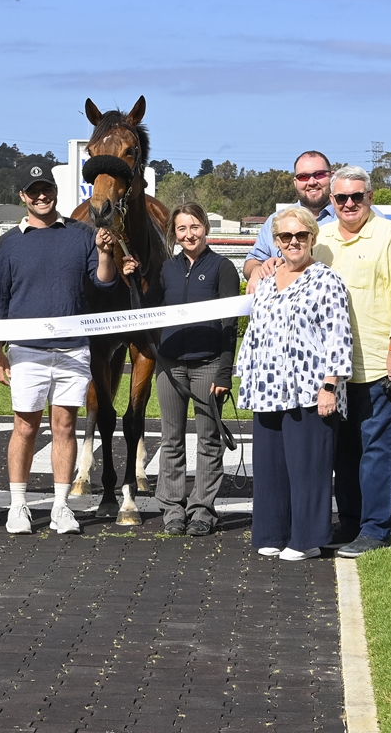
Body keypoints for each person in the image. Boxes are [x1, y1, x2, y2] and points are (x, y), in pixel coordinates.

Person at [0, 164, 124, 535]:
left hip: (72, 349)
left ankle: (61, 507)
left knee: (65, 426)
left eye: (46, 189)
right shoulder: (7, 243)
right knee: (24, 427)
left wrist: (105, 253)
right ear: (23, 196)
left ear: (56, 192)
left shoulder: (83, 234)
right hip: (26, 350)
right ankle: (18, 505)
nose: (41, 196)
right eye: (33, 191)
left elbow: (105, 282)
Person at [313, 165, 391, 557]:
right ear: (331, 200)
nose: (349, 203)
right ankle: (350, 522)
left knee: (377, 452)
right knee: (343, 453)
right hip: (333, 369)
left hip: (378, 365)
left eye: (356, 196)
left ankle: (375, 529)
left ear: (370, 197)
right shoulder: (320, 239)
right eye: (341, 197)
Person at [237, 207, 352, 561]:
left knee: (308, 469)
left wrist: (330, 386)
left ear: (312, 238)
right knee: (270, 468)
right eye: (286, 236)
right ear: (276, 241)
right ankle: (272, 532)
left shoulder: (327, 280)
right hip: (267, 386)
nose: (293, 242)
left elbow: (339, 335)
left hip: (310, 388)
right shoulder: (267, 279)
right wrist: (246, 374)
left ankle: (307, 539)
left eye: (301, 235)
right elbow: (255, 330)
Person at [147, 202, 240, 537]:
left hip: (208, 365)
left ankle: (202, 510)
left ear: (205, 229)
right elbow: (147, 308)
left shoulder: (223, 268)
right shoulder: (166, 269)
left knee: (208, 440)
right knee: (170, 439)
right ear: (174, 233)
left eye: (195, 227)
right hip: (170, 366)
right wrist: (132, 276)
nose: (189, 234)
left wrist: (224, 372)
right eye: (182, 229)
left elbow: (230, 324)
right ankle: (173, 509)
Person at [244, 151, 336, 291]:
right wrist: (257, 271)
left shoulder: (349, 218)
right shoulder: (276, 220)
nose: (312, 182)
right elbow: (253, 261)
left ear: (332, 177)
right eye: (303, 177)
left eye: (319, 175)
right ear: (295, 182)